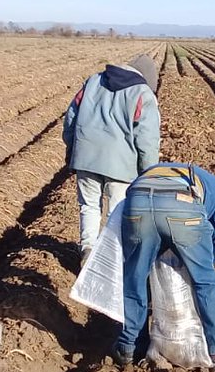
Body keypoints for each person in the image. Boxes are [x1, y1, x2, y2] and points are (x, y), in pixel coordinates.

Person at [114, 162, 215, 372]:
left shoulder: (154, 171)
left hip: (138, 200)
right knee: (205, 282)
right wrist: (197, 266)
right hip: (183, 204)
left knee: (135, 278)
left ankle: (129, 347)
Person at [62, 55, 160, 264]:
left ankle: (88, 249)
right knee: (118, 212)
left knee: (89, 206)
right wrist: (149, 174)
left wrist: (72, 150)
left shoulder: (93, 81)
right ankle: (113, 259)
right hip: (121, 165)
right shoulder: (142, 93)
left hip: (86, 157)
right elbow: (147, 140)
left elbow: (70, 118)